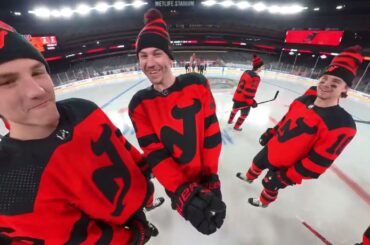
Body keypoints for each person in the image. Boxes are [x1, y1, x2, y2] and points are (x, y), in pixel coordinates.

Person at [0, 21, 157, 244]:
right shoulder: (9, 188)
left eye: (37, 72)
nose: (37, 90)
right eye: (7, 82)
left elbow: (124, 149)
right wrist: (135, 237)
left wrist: (150, 177)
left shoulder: (83, 109)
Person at [129, 8, 226, 235]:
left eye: (157, 53)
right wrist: (181, 190)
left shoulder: (197, 84)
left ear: (169, 57)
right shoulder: (139, 104)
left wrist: (211, 176)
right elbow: (155, 154)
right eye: (143, 56)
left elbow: (211, 132)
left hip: (205, 177)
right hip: (177, 184)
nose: (150, 62)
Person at [236, 46, 362, 207]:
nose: (326, 84)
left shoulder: (341, 124)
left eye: (335, 82)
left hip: (285, 166)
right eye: (324, 79)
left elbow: (318, 163)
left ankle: (263, 202)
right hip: (272, 148)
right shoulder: (303, 100)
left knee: (270, 184)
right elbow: (286, 120)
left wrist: (288, 176)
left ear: (345, 88)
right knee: (256, 162)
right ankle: (249, 177)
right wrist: (272, 132)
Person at [227, 54, 264, 131]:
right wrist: (252, 102)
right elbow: (249, 93)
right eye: (262, 67)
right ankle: (236, 127)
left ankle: (230, 121)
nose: (263, 68)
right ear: (259, 67)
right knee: (244, 115)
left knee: (234, 110)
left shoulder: (246, 72)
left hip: (237, 97)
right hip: (244, 101)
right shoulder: (255, 78)